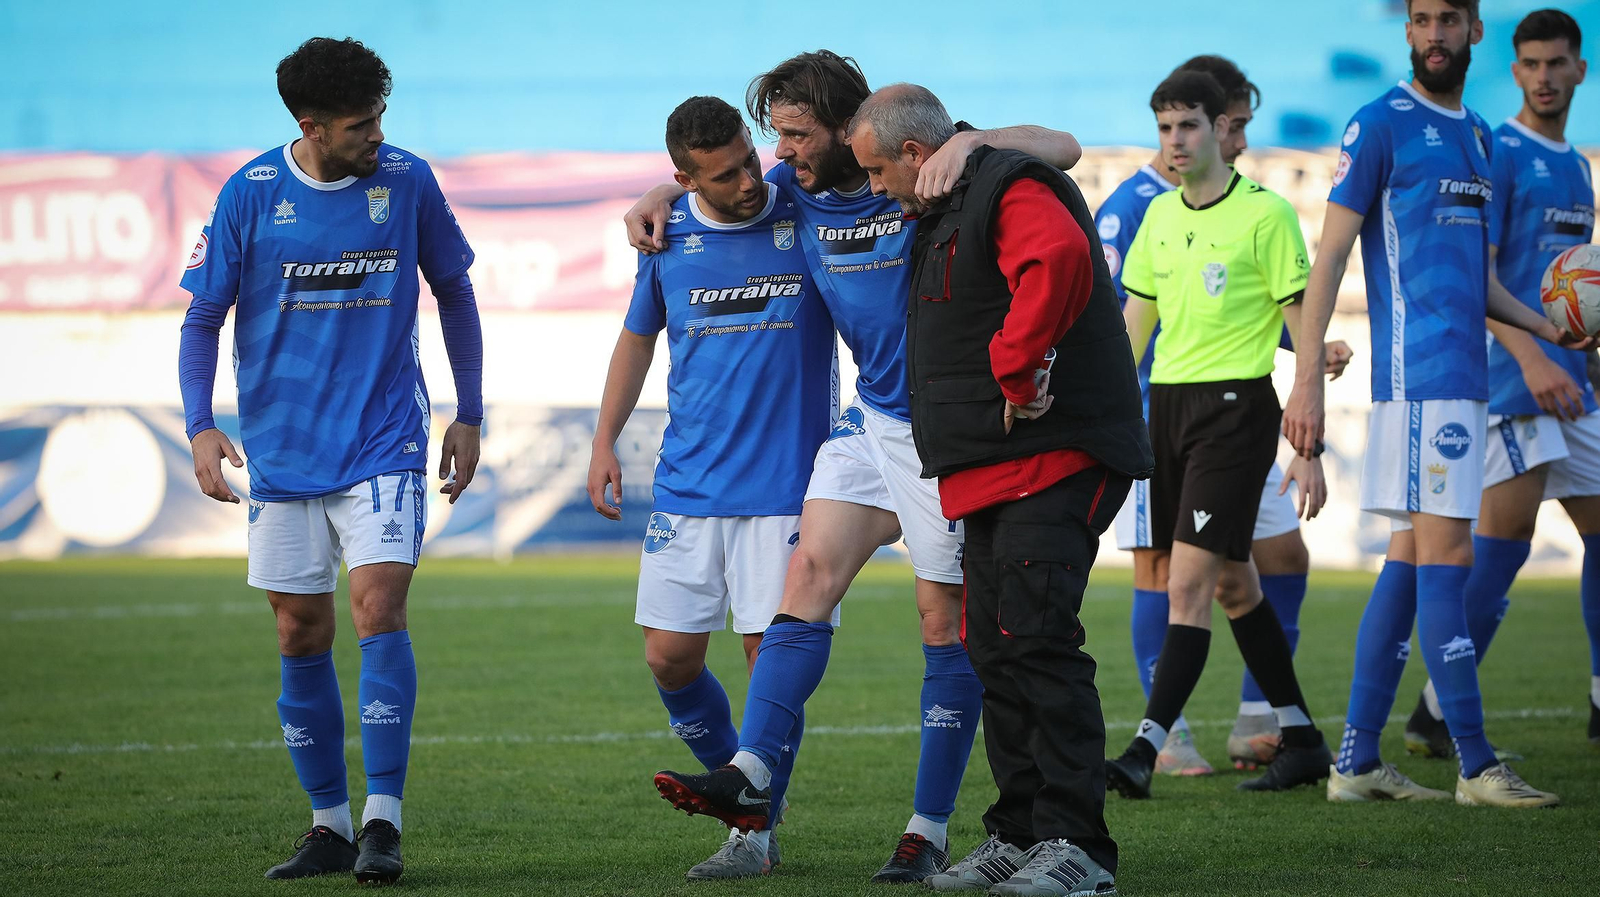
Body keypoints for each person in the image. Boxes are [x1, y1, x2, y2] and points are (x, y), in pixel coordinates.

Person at [633, 51, 1084, 884]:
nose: (783, 152)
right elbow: (710, 195)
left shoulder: (925, 170)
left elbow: (1063, 145)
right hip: (872, 420)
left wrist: (974, 140)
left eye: (797, 134)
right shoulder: (792, 191)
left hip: (950, 433)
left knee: (941, 622)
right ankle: (752, 777)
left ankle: (928, 829)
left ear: (853, 133)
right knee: (806, 572)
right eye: (778, 136)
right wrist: (657, 194)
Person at [177, 37, 483, 883]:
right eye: (359, 124)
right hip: (282, 453)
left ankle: (383, 818)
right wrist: (200, 424)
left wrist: (470, 411)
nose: (376, 135)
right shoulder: (250, 193)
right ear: (310, 126)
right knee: (296, 628)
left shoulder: (409, 180)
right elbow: (202, 319)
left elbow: (454, 290)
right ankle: (329, 825)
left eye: (381, 115)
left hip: (384, 439)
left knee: (377, 606)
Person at [1284, 0, 1585, 807]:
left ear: (1474, 30)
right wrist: (1306, 377)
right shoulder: (1377, 123)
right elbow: (1331, 258)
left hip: (1462, 379)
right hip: (1419, 382)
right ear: (1409, 31)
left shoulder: (1481, 136)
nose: (1436, 33)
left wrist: (1552, 325)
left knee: (1411, 562)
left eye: (1451, 19)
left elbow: (1483, 281)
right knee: (1449, 561)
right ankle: (1478, 765)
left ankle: (1353, 761)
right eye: (1422, 19)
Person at [858, 83, 1147, 897]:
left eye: (879, 171)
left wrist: (1016, 367)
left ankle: (1076, 848)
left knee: (1036, 638)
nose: (875, 189)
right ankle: (1019, 834)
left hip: (1057, 454)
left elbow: (1056, 260)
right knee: (991, 644)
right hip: (992, 466)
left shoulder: (1001, 183)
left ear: (916, 154)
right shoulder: (944, 203)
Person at [589, 95, 838, 880]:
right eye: (724, 174)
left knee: (771, 656)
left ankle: (750, 829)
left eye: (747, 158)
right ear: (683, 178)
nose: (747, 182)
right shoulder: (666, 237)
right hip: (689, 485)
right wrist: (603, 442)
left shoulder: (802, 211)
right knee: (668, 658)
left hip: (787, 489)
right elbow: (636, 340)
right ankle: (749, 781)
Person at [1099, 54, 1351, 777]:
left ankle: (1145, 748)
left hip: (1237, 411)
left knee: (1187, 582)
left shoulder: (1265, 214)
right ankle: (1301, 738)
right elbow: (1131, 335)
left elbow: (1303, 328)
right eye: (1165, 127)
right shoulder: (1154, 216)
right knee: (1238, 584)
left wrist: (1308, 436)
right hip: (1166, 413)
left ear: (1221, 130)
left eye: (1189, 126)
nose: (1175, 140)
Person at [1402, 7, 1600, 758]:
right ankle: (1433, 713)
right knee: (1503, 541)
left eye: (1558, 63)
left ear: (1581, 69)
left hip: (1573, 376)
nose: (1545, 77)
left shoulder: (1578, 163)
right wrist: (1534, 356)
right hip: (1515, 377)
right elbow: (1478, 274)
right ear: (1514, 70)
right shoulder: (1501, 150)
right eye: (1531, 65)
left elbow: (1571, 284)